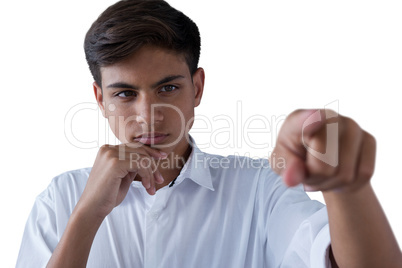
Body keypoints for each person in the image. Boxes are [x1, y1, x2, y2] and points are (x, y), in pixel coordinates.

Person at [16, 0, 402, 267]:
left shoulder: (260, 189)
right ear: (100, 99)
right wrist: (86, 215)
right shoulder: (60, 200)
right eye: (125, 94)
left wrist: (345, 187)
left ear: (197, 88)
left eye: (168, 88)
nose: (148, 116)